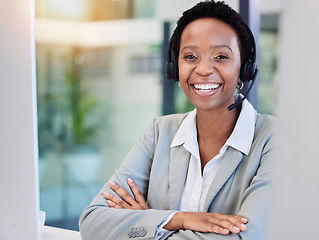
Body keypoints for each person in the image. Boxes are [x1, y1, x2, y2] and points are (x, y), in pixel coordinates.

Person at [79, 1, 275, 239]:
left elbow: (246, 236)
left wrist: (149, 223)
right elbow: (93, 221)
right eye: (190, 56)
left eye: (221, 56)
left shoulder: (273, 139)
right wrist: (179, 218)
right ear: (175, 69)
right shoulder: (159, 132)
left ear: (244, 70)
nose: (203, 69)